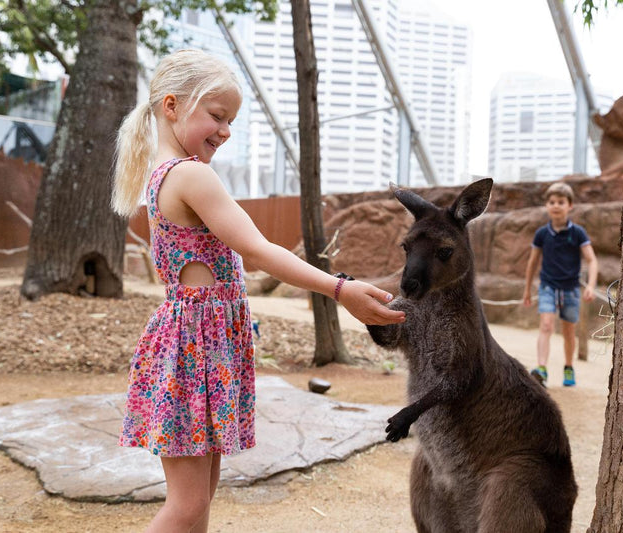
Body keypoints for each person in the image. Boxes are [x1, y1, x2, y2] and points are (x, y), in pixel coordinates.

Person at [111, 49, 405, 533]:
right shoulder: (190, 174)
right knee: (188, 504)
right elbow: (259, 250)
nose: (226, 130)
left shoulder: (167, 172)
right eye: (217, 116)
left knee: (200, 498)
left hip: (200, 344)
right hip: (194, 347)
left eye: (231, 120)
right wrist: (339, 288)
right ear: (171, 106)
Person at [522, 182, 597, 388]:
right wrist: (527, 289)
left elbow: (591, 260)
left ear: (569, 205)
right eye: (552, 202)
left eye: (561, 202)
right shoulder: (542, 234)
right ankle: (542, 369)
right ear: (547, 205)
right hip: (547, 286)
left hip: (571, 289)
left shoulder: (578, 232)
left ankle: (568, 366)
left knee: (568, 331)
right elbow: (532, 262)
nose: (556, 206)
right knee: (546, 325)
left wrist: (591, 285)